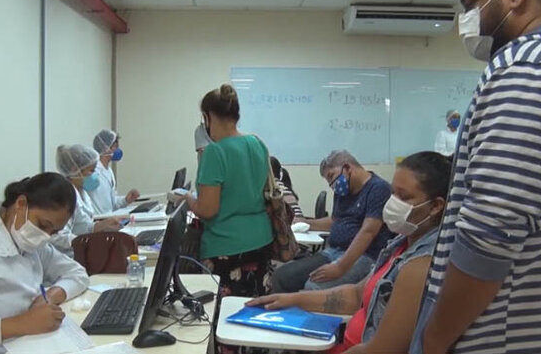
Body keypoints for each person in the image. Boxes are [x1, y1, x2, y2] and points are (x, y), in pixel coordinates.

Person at [411, 0, 541, 354]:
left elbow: (491, 232)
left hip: (506, 336)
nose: (467, 18)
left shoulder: (531, 70)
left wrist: (436, 337)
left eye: (471, 2)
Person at [248, 152, 451, 354]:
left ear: (435, 206)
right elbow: (356, 295)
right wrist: (291, 300)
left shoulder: (419, 266)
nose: (393, 203)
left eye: (404, 197)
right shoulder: (399, 245)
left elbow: (381, 349)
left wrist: (340, 267)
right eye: (394, 194)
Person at [0, 173, 90, 354]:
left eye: (54, 232)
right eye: (43, 225)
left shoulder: (31, 242)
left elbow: (77, 274)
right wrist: (21, 324)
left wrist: (49, 297)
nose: (45, 236)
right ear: (20, 204)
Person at [183, 84, 273, 299]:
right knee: (254, 307)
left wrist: (188, 199)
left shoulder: (214, 152)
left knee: (224, 315)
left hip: (227, 246)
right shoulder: (256, 143)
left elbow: (208, 210)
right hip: (261, 239)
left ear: (207, 117)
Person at [271, 150, 393, 293]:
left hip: (365, 256)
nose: (332, 184)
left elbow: (368, 231)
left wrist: (340, 267)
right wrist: (307, 223)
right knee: (281, 276)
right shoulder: (343, 191)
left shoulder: (378, 188)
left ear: (347, 168)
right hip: (332, 252)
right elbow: (335, 221)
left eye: (331, 176)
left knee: (314, 288)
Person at [51, 144, 123, 257]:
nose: (95, 175)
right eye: (91, 171)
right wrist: (86, 242)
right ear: (75, 170)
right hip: (68, 256)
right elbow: (57, 236)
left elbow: (83, 227)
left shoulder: (83, 192)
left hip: (83, 254)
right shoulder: (64, 197)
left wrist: (102, 225)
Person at [88, 129, 140, 214]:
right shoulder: (93, 173)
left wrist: (126, 200)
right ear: (106, 148)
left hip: (108, 219)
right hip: (98, 222)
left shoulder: (109, 171)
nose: (118, 150)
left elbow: (112, 203)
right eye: (116, 146)